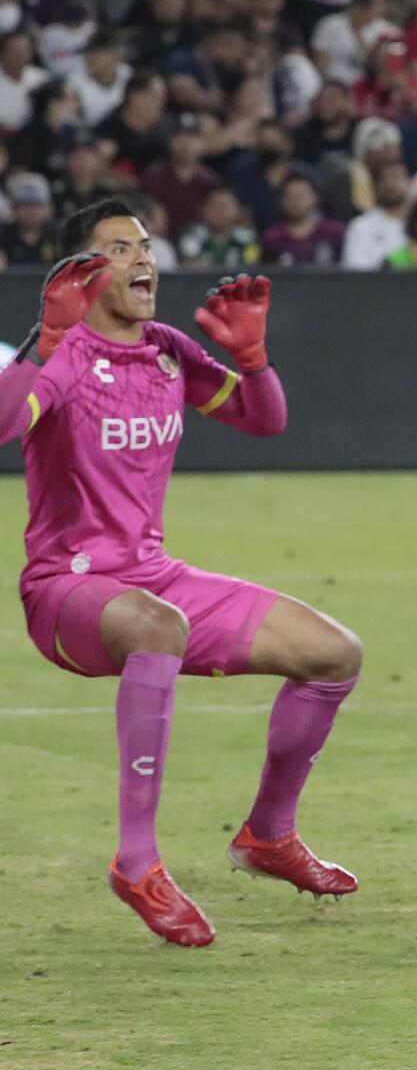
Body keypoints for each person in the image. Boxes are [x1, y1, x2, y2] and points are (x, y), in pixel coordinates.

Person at [0, 200, 363, 945]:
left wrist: (255, 361)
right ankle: (137, 862)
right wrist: (45, 342)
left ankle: (268, 835)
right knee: (159, 626)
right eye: (119, 248)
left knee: (335, 654)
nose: (144, 260)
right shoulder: (62, 356)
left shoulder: (166, 349)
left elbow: (263, 421)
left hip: (154, 577)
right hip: (65, 591)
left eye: (145, 244)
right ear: (80, 272)